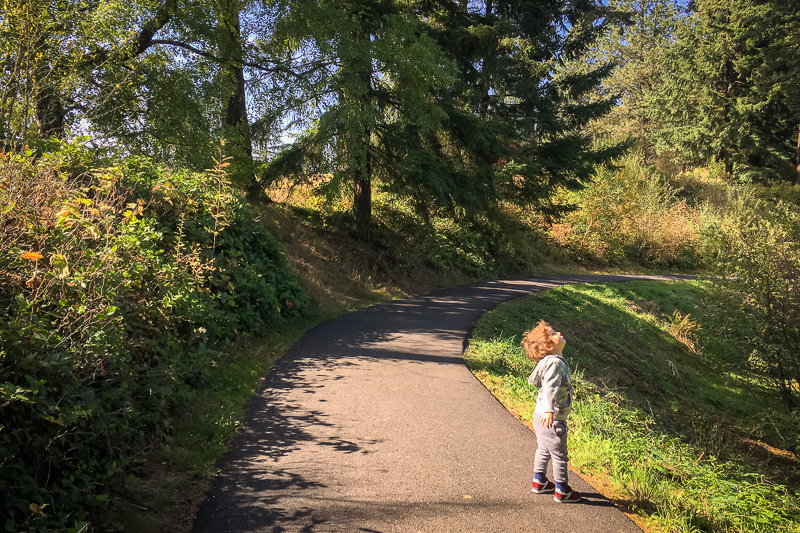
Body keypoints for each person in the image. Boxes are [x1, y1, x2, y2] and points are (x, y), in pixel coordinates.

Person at [520, 320, 581, 503]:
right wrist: (550, 411)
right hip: (551, 419)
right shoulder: (555, 364)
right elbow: (549, 388)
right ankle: (562, 490)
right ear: (548, 346)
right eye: (554, 333)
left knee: (544, 449)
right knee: (560, 456)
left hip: (540, 416)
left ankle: (539, 481)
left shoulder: (548, 361)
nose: (559, 333)